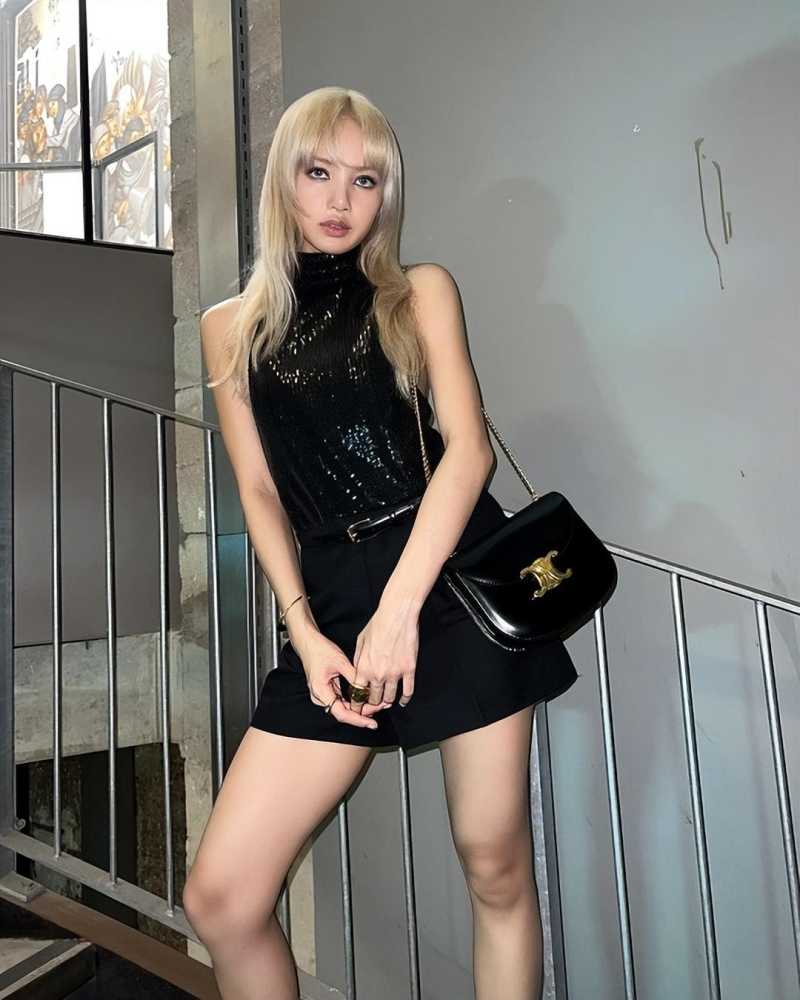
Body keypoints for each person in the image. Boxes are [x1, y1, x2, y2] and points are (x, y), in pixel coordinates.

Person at [182, 85, 579, 1000]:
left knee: (493, 863)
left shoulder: (418, 292)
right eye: (318, 173)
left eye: (364, 181)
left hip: (447, 582)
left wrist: (400, 611)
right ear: (283, 180)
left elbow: (468, 451)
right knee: (222, 899)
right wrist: (303, 628)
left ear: (385, 196)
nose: (339, 199)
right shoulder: (229, 327)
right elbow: (257, 489)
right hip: (328, 602)